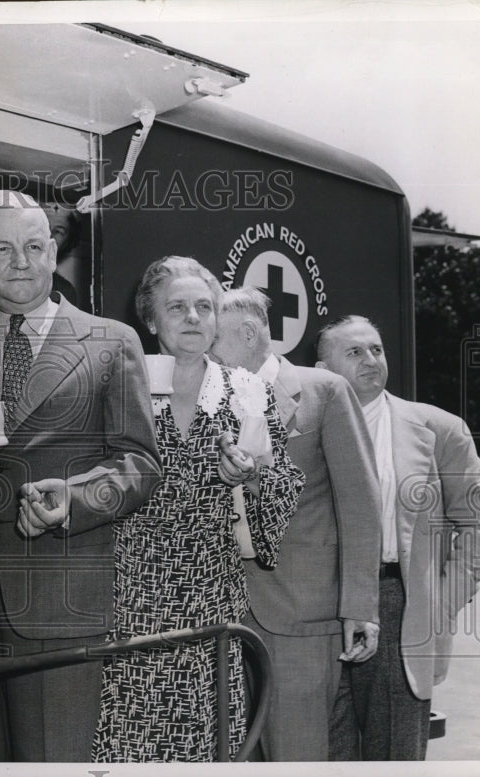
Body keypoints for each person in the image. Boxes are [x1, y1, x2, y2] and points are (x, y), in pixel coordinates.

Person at [0, 190, 161, 762]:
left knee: (53, 762)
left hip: (60, 600)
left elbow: (141, 463)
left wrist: (78, 499)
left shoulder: (111, 340)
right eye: (2, 249)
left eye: (35, 246)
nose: (22, 262)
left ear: (53, 251)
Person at [92, 257, 304, 761]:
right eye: (178, 307)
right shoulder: (121, 384)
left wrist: (250, 476)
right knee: (129, 740)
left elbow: (284, 486)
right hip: (130, 594)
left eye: (204, 307)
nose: (193, 317)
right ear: (150, 320)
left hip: (211, 595)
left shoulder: (248, 392)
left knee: (210, 740)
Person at [210, 287, 382, 761]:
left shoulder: (323, 391)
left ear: (247, 333)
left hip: (298, 616)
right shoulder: (205, 393)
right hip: (218, 612)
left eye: (210, 337)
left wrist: (360, 606)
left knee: (296, 755)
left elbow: (360, 503)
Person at [316, 315, 480, 760]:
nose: (371, 360)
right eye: (354, 352)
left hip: (399, 603)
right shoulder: (302, 428)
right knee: (323, 751)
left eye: (376, 349)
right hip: (318, 608)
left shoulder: (439, 428)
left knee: (394, 754)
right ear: (323, 369)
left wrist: (441, 599)